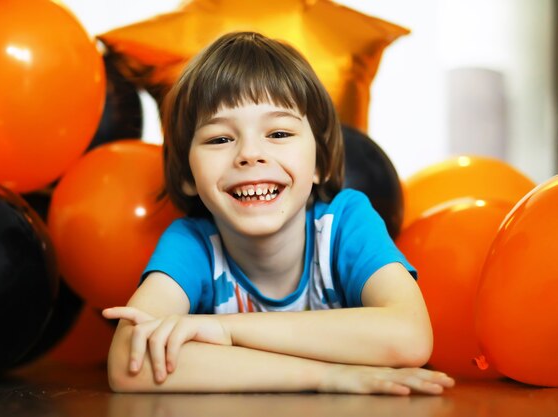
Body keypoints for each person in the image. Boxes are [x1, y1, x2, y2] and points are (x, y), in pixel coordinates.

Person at [102, 31, 455, 395]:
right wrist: (328, 376)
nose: (250, 154)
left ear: (319, 163)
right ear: (187, 176)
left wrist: (225, 330)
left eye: (280, 133)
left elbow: (409, 337)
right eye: (220, 139)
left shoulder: (346, 222)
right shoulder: (192, 244)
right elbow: (133, 363)